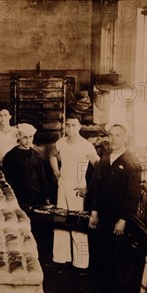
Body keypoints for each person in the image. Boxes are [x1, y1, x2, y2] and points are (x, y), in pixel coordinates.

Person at [88, 123, 142, 293]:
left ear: (125, 137)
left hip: (119, 219)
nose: (114, 139)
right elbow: (95, 186)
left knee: (120, 258)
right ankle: (105, 292)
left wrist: (124, 219)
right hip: (103, 216)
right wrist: (94, 211)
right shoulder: (105, 158)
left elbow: (133, 195)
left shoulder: (131, 163)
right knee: (103, 254)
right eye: (111, 135)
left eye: (118, 135)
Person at [49, 117, 99, 272]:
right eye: (68, 125)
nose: (70, 128)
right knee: (61, 221)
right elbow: (52, 155)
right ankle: (60, 260)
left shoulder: (86, 145)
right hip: (62, 185)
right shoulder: (61, 142)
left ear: (79, 127)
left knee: (78, 223)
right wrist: (57, 173)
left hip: (78, 187)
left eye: (73, 125)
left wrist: (89, 188)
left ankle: (81, 264)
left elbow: (99, 166)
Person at [3, 123, 54, 263]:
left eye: (31, 137)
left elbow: (43, 178)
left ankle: (39, 259)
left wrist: (46, 197)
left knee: (38, 229)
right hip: (19, 199)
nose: (28, 140)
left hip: (36, 198)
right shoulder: (10, 157)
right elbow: (8, 181)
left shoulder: (36, 155)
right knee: (22, 229)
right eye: (25, 137)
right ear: (18, 137)